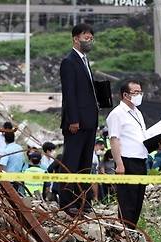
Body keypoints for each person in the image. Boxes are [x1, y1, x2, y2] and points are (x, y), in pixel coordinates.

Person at [59, 23, 99, 215]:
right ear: (75, 38)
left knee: (85, 163)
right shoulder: (69, 61)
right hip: (76, 123)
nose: (89, 40)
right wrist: (73, 120)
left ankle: (84, 200)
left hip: (90, 121)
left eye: (91, 37)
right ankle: (67, 203)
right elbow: (70, 94)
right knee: (71, 162)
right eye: (86, 36)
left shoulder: (85, 61)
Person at [106, 80, 150, 229]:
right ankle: (125, 231)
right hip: (127, 160)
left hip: (140, 160)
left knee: (137, 200)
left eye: (140, 92)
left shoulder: (138, 112)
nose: (139, 95)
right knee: (127, 200)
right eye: (135, 92)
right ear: (125, 95)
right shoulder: (117, 114)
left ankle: (132, 229)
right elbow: (114, 139)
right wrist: (119, 164)